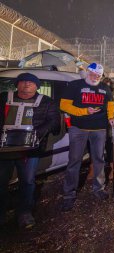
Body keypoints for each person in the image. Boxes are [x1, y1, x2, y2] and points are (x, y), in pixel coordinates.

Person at [0, 73, 61, 228]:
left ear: (37, 86)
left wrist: (37, 133)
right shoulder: (4, 98)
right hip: (4, 149)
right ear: (17, 85)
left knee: (27, 182)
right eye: (23, 81)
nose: (27, 84)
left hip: (30, 150)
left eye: (31, 82)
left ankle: (25, 213)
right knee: (1, 181)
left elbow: (54, 122)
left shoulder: (46, 102)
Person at [60, 63, 114, 212]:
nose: (94, 77)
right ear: (87, 72)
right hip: (78, 128)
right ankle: (69, 194)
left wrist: (111, 117)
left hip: (99, 129)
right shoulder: (75, 85)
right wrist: (84, 111)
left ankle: (99, 188)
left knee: (98, 159)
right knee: (74, 160)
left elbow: (110, 104)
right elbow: (64, 105)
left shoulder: (105, 88)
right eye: (92, 74)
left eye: (98, 75)